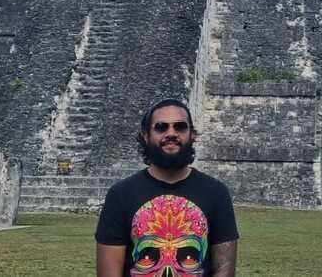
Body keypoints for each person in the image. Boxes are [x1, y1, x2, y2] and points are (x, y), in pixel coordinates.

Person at [95, 98, 239, 276]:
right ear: (146, 136)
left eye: (180, 127)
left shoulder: (217, 193)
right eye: (161, 127)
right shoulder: (120, 195)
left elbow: (224, 269)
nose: (171, 133)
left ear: (192, 134)